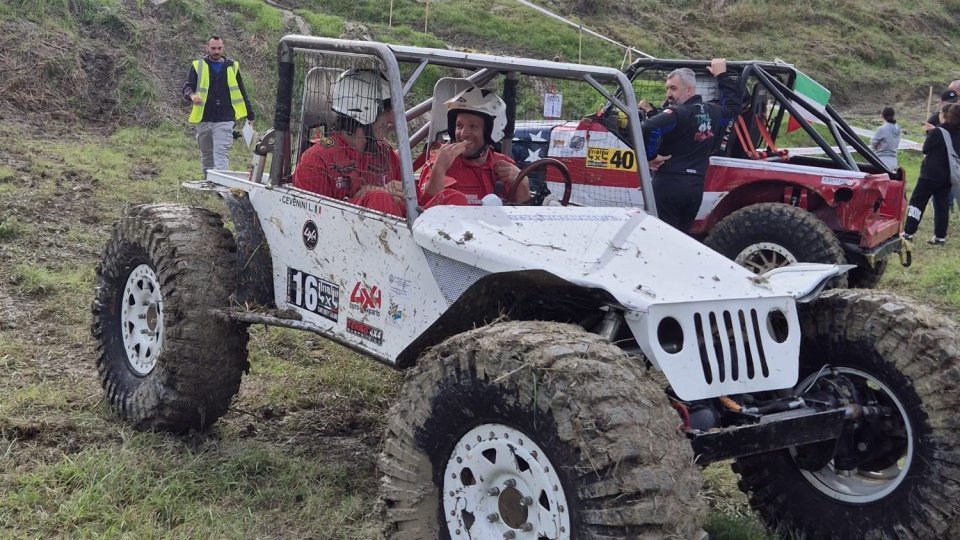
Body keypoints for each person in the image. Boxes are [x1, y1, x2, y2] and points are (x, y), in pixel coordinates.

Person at [293, 69, 464, 217]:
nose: (391, 119)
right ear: (363, 110)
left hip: (402, 243)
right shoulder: (317, 161)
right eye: (386, 111)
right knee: (379, 200)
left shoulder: (386, 154)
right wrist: (370, 197)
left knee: (453, 199)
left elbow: (420, 206)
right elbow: (310, 224)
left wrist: (438, 169)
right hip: (347, 249)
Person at [640, 59, 741, 233]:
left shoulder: (678, 113)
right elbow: (733, 108)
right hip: (694, 188)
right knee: (681, 238)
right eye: (667, 88)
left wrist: (650, 157)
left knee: (661, 238)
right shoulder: (713, 111)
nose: (668, 94)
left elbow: (649, 127)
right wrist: (722, 75)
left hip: (668, 184)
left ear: (688, 89)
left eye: (673, 89)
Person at [419, 86, 531, 205]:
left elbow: (523, 216)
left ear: (490, 132)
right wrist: (439, 169)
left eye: (473, 126)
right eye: (459, 126)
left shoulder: (504, 166)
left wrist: (522, 181)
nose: (464, 134)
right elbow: (425, 210)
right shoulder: (440, 161)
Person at [182, 36, 255, 174]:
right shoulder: (198, 66)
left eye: (219, 48)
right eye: (213, 48)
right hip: (204, 117)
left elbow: (241, 91)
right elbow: (187, 86)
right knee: (207, 154)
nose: (216, 51)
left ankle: (221, 187)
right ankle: (208, 182)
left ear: (223, 47)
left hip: (225, 118)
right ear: (207, 47)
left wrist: (250, 115)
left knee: (220, 153)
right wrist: (192, 96)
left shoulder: (232, 66)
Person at [902, 102, 960, 246]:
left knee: (917, 202)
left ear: (947, 115)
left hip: (930, 174)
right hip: (948, 175)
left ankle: (908, 232)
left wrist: (932, 133)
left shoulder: (938, 132)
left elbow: (925, 149)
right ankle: (940, 237)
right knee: (942, 205)